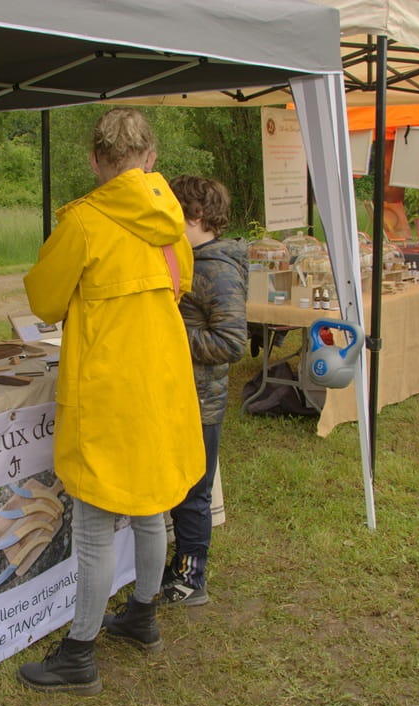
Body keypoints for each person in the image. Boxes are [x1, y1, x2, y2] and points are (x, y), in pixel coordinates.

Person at [17, 109, 204, 695]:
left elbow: (44, 302)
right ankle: (142, 615)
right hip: (159, 387)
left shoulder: (84, 222)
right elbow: (181, 285)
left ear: (96, 161)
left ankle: (79, 653)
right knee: (151, 507)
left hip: (107, 393)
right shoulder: (172, 223)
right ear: (150, 159)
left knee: (96, 527)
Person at [159, 176, 248, 607]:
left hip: (200, 402)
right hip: (178, 394)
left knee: (194, 492)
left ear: (195, 215)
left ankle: (192, 577)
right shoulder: (190, 259)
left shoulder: (216, 268)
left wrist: (170, 334)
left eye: (173, 212)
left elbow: (231, 343)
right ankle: (175, 563)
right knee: (177, 488)